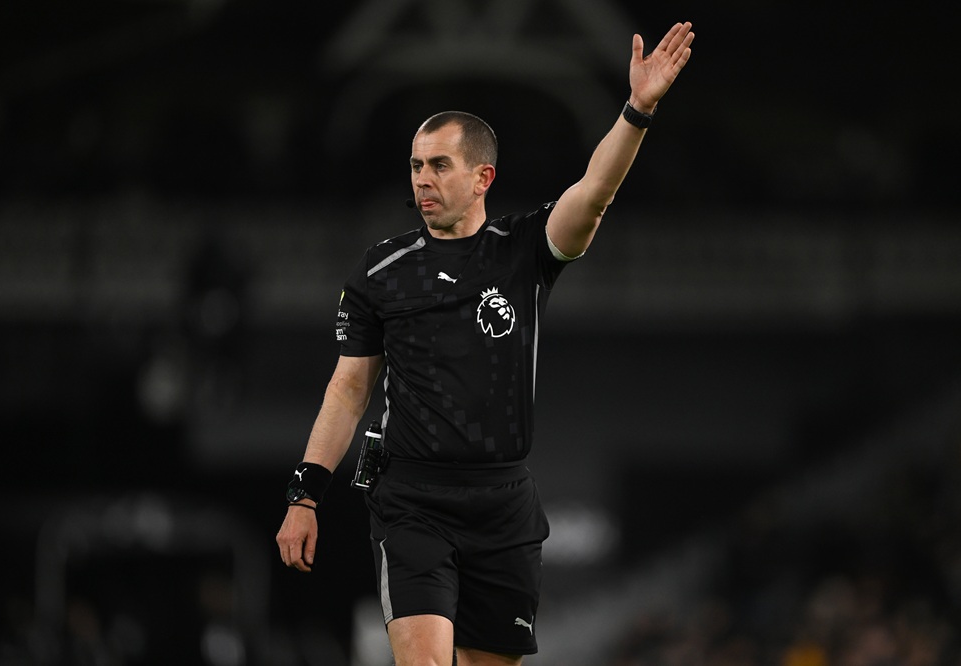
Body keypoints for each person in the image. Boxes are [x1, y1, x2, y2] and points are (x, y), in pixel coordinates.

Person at [277, 21, 695, 666]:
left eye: (439, 165)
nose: (423, 178)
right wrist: (305, 495)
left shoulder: (523, 250)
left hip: (503, 506)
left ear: (482, 177)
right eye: (416, 165)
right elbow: (349, 388)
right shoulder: (380, 270)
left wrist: (638, 110)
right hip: (412, 501)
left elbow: (595, 192)